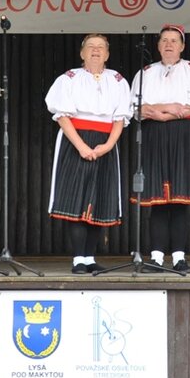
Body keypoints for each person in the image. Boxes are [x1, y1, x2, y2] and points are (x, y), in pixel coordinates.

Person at [130, 24, 190, 273]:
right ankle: (156, 257)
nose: (168, 44)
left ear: (182, 46)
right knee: (156, 199)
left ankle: (179, 257)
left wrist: (157, 110)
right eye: (164, 40)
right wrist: (168, 108)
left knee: (179, 200)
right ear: (157, 45)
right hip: (154, 135)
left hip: (184, 135)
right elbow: (137, 108)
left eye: (174, 41)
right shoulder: (145, 72)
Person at [45, 33, 132, 274]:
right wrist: (81, 146)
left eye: (101, 47)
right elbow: (62, 116)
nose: (95, 51)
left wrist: (108, 145)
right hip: (75, 141)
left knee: (100, 200)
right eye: (90, 47)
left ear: (107, 54)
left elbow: (121, 118)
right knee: (76, 200)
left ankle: (90, 257)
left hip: (105, 143)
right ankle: (77, 260)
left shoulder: (118, 80)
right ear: (82, 53)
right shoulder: (68, 79)